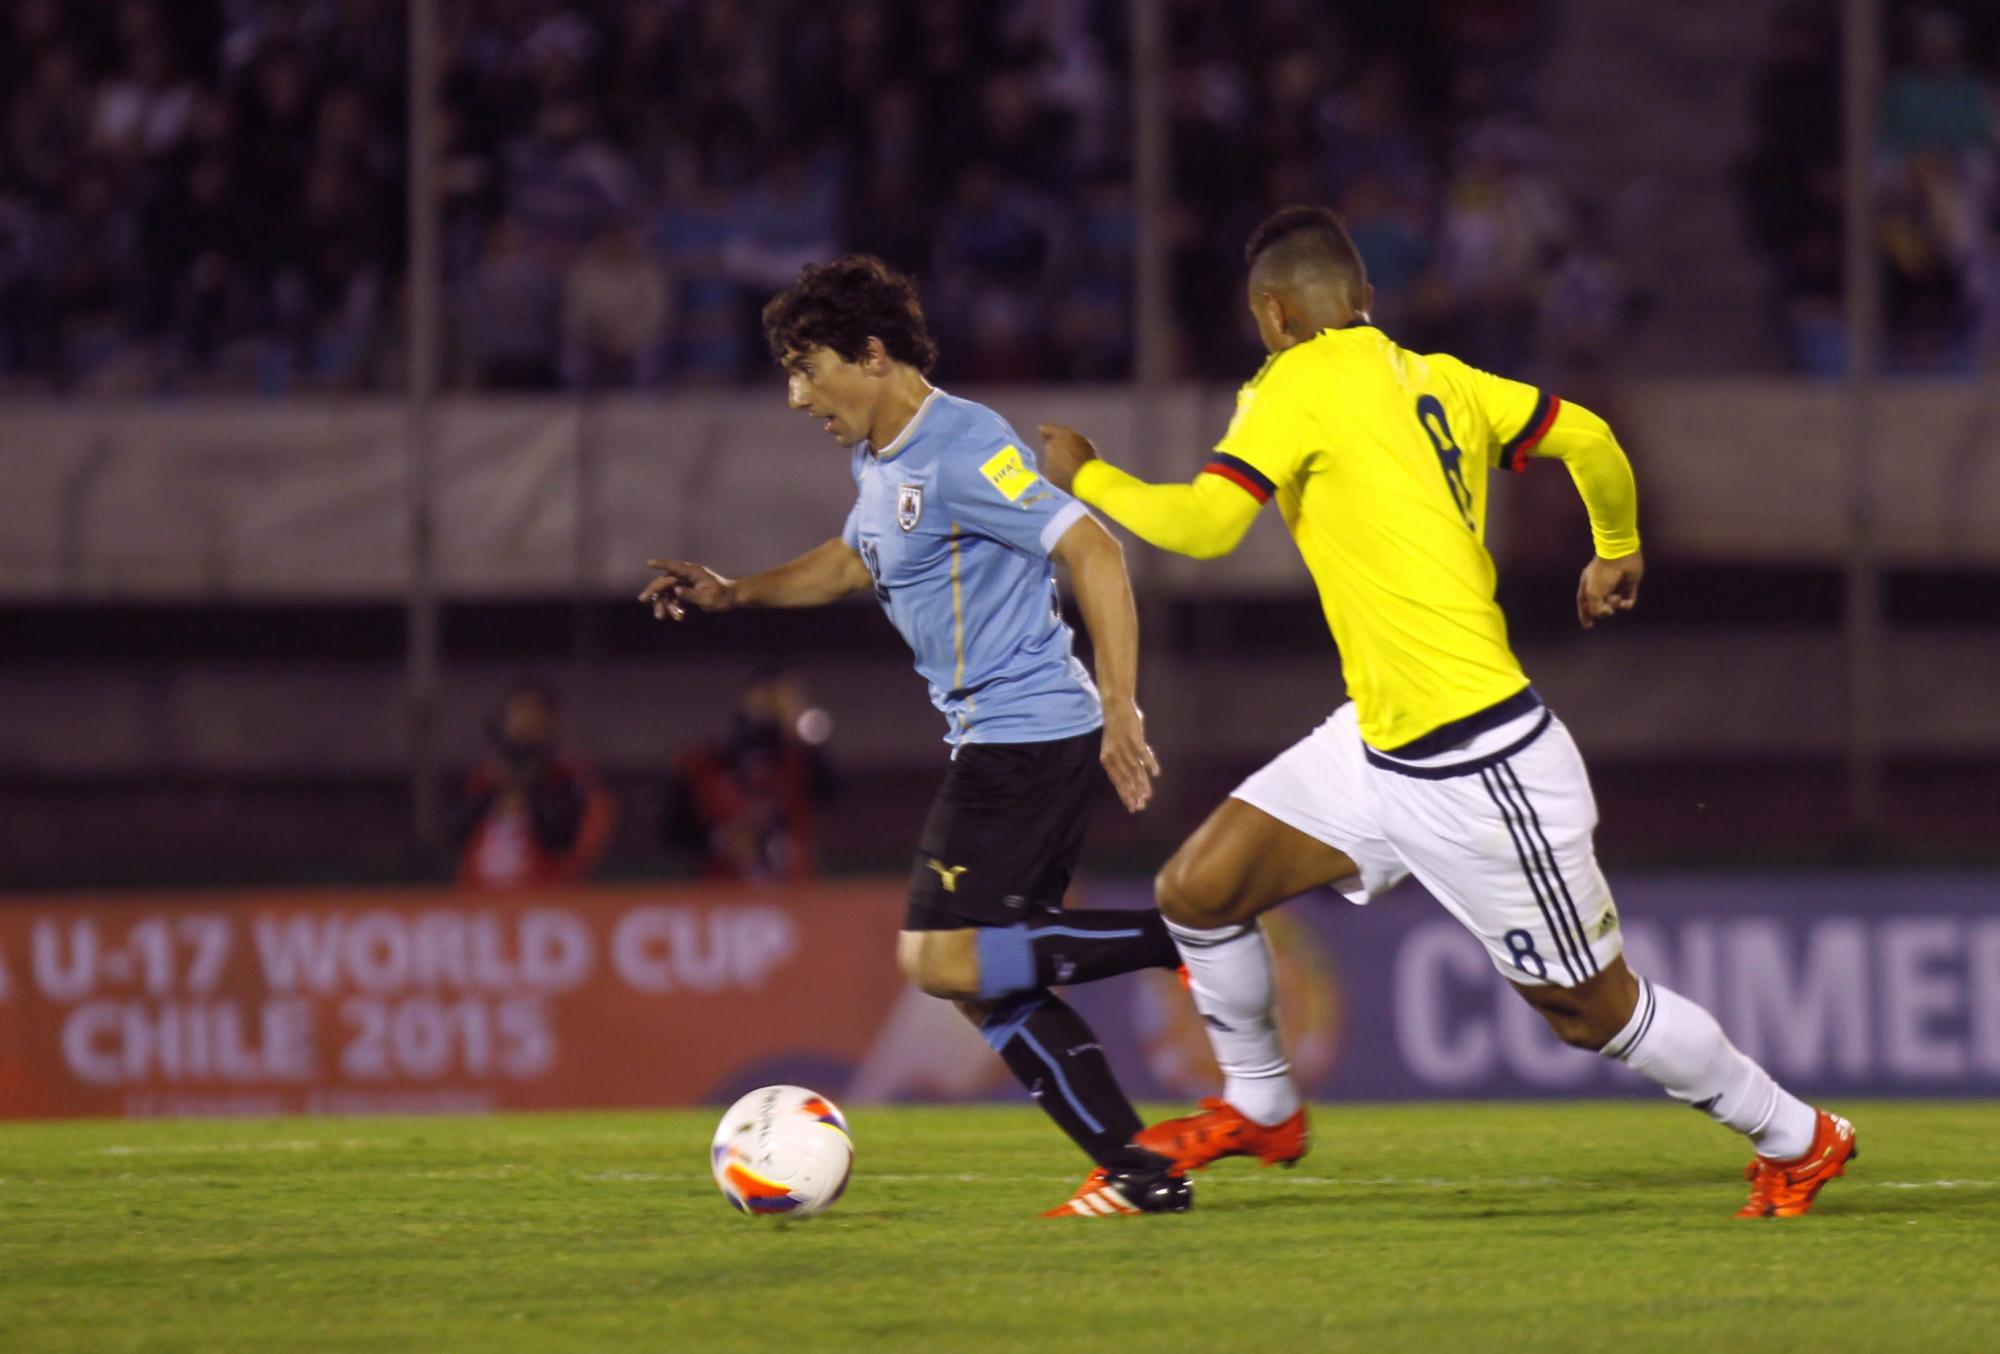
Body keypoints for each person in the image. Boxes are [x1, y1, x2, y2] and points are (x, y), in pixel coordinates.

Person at [1038, 206, 1856, 1220]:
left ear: (1273, 313)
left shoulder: (1291, 384)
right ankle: (1261, 1105)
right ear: (1365, 301)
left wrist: (1085, 473)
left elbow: (1202, 528)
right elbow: (1589, 435)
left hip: (1480, 762)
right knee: (1199, 890)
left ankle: (1797, 1133)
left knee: (1589, 1009)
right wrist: (1613, 543)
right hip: (1379, 741)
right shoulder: (1443, 378)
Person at [641, 254, 1188, 1218]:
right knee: (990, 984)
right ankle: (1140, 1169)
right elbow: (855, 560)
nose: (795, 393)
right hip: (999, 737)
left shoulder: (964, 445)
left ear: (873, 353)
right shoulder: (880, 458)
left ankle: (1191, 934)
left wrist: (1122, 706)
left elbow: (1093, 549)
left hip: (1027, 736)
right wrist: (735, 591)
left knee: (936, 957)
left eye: (808, 367)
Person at [660, 669, 836, 882]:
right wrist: (721, 839)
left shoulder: (801, 763)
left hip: (790, 895)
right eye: (763, 701)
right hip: (721, 895)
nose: (769, 709)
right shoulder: (704, 765)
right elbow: (673, 832)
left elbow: (831, 790)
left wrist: (799, 729)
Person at [453, 681, 618, 890]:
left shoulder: (568, 777)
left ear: (551, 723)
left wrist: (531, 786)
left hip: (544, 898)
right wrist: (494, 787)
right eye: (518, 713)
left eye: (533, 714)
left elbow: (566, 840)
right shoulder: (483, 780)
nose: (524, 723)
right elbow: (453, 837)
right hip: (480, 901)